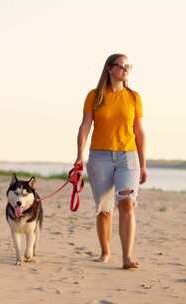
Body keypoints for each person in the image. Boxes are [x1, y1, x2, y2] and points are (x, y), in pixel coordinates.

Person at [74, 53, 147, 270]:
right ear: (109, 68)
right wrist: (79, 155)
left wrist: (143, 164)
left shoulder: (134, 97)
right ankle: (105, 251)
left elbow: (140, 132)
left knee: (126, 203)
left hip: (128, 156)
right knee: (105, 209)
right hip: (100, 157)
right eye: (122, 66)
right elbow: (85, 126)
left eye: (128, 66)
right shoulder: (94, 96)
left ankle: (127, 257)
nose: (126, 70)